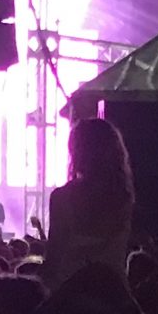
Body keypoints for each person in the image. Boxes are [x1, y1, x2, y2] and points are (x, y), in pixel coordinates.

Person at [47, 116, 133, 286]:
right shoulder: (125, 198)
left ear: (76, 151)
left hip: (72, 292)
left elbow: (53, 260)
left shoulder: (62, 198)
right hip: (113, 293)